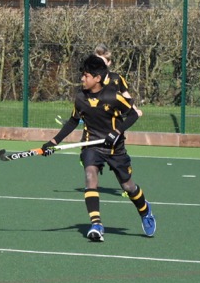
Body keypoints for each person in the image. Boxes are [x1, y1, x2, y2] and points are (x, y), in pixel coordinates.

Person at [41, 54, 156, 241]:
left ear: (97, 78)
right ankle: (96, 224)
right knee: (90, 176)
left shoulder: (113, 96)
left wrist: (116, 132)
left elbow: (133, 115)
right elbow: (73, 121)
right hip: (91, 145)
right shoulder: (80, 98)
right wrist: (53, 142)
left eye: (86, 76)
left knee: (128, 186)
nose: (82, 79)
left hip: (115, 148)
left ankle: (145, 211)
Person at [94, 43, 143, 117]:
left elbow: (125, 94)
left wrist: (135, 109)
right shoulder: (89, 79)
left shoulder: (116, 78)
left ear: (109, 63)